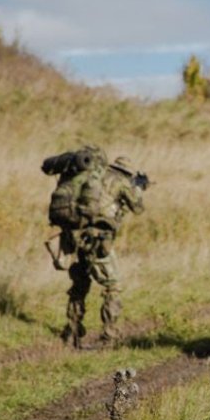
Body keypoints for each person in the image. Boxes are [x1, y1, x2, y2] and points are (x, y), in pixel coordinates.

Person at [43, 146, 147, 347]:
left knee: (79, 285)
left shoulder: (89, 177)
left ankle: (71, 332)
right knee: (112, 285)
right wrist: (139, 187)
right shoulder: (121, 182)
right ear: (128, 172)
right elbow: (138, 208)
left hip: (73, 237)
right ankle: (109, 335)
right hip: (99, 239)